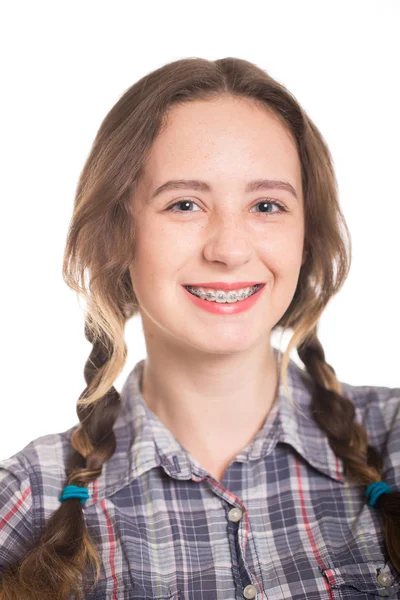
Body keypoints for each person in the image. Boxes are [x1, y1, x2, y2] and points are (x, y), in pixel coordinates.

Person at [0, 57, 399, 600]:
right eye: (185, 204)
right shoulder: (28, 501)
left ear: (307, 235)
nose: (230, 250)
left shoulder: (392, 441)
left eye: (267, 205)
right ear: (118, 236)